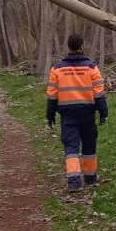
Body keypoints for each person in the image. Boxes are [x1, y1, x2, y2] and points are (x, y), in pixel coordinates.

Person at [46, 33, 107, 191]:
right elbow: (99, 94)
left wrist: (50, 116)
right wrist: (103, 113)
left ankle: (74, 182)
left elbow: (52, 96)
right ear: (82, 46)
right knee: (89, 144)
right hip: (87, 112)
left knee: (71, 146)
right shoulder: (92, 67)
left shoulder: (57, 69)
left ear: (68, 47)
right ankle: (90, 178)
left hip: (67, 114)